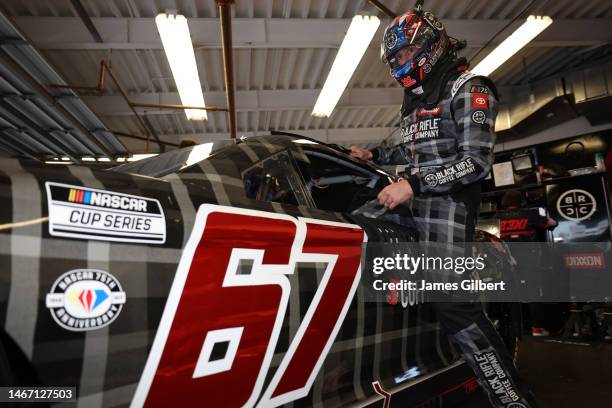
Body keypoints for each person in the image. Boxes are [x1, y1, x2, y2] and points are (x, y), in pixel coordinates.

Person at [350, 7, 537, 408]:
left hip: (449, 205)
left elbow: (475, 162)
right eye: (394, 60)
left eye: (402, 55)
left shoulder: (471, 88)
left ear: (426, 46)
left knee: (455, 306)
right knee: (357, 225)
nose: (399, 64)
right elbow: (414, 148)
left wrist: (412, 184)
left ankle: (513, 399)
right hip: (416, 199)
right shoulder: (415, 98)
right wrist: (374, 154)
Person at [498, 190, 557, 337]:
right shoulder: (531, 213)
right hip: (529, 260)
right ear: (521, 201)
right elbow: (551, 224)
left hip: (506, 262)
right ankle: (537, 329)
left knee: (509, 294)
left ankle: (513, 328)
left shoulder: (497, 217)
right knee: (534, 293)